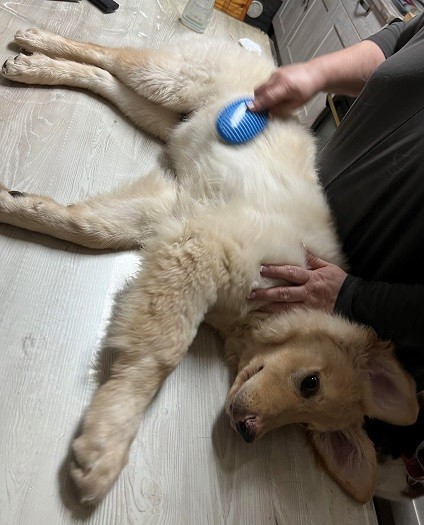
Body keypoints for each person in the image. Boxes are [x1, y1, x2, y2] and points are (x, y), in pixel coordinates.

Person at [248, 13, 424, 391]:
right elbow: (393, 44)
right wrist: (316, 74)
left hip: (331, 335)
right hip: (283, 230)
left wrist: (350, 298)